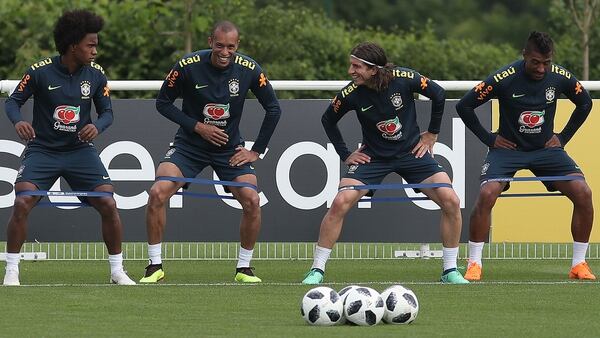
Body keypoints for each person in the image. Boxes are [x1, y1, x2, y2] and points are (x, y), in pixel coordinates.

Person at [301, 42, 469, 285]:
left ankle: (450, 270)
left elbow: (438, 93)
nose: (351, 71)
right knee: (340, 201)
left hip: (412, 153)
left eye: (356, 66)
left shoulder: (404, 78)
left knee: (451, 200)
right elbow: (328, 119)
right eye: (351, 65)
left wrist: (432, 133)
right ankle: (316, 270)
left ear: (373, 70)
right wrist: (345, 154)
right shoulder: (351, 93)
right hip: (374, 157)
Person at [141, 21, 281, 284]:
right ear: (210, 42)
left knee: (252, 199)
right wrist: (197, 127)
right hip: (189, 146)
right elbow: (163, 103)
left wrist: (256, 151)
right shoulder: (186, 66)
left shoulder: (249, 69)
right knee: (157, 192)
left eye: (230, 46)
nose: (225, 51)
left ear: (237, 45)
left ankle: (244, 268)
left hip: (229, 150)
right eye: (219, 45)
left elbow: (274, 108)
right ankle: (154, 266)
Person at [3, 10, 135, 286]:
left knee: (108, 203)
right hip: (43, 151)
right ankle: (12, 271)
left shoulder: (96, 75)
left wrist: (97, 127)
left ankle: (117, 271)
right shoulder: (40, 71)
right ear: (73, 45)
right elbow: (13, 102)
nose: (95, 50)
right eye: (91, 45)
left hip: (80, 151)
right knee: (22, 201)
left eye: (96, 44)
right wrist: (18, 123)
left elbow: (108, 113)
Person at [456, 31, 594, 281]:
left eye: (546, 62)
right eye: (536, 62)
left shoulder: (559, 77)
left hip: (546, 151)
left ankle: (579, 264)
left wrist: (562, 138)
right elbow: (464, 105)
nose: (541, 68)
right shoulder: (503, 78)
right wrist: (489, 138)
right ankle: (474, 264)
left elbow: (585, 103)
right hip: (508, 151)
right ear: (525, 56)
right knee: (487, 194)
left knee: (583, 192)